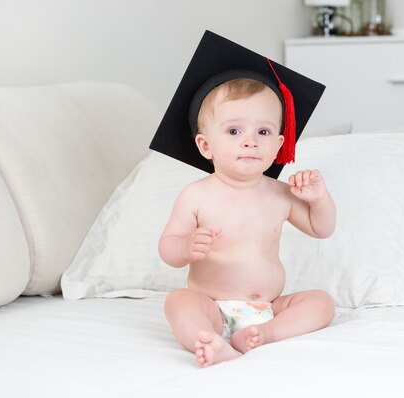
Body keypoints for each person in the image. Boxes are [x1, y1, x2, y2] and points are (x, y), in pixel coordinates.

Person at [150, 31, 335, 367]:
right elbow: (168, 248)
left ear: (279, 145)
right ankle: (205, 340)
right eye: (234, 131)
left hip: (269, 306)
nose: (250, 141)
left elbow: (320, 228)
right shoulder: (197, 195)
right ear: (206, 146)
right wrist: (186, 245)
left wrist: (320, 200)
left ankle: (265, 335)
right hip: (212, 305)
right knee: (179, 301)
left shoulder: (280, 193)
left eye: (262, 132)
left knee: (321, 302)